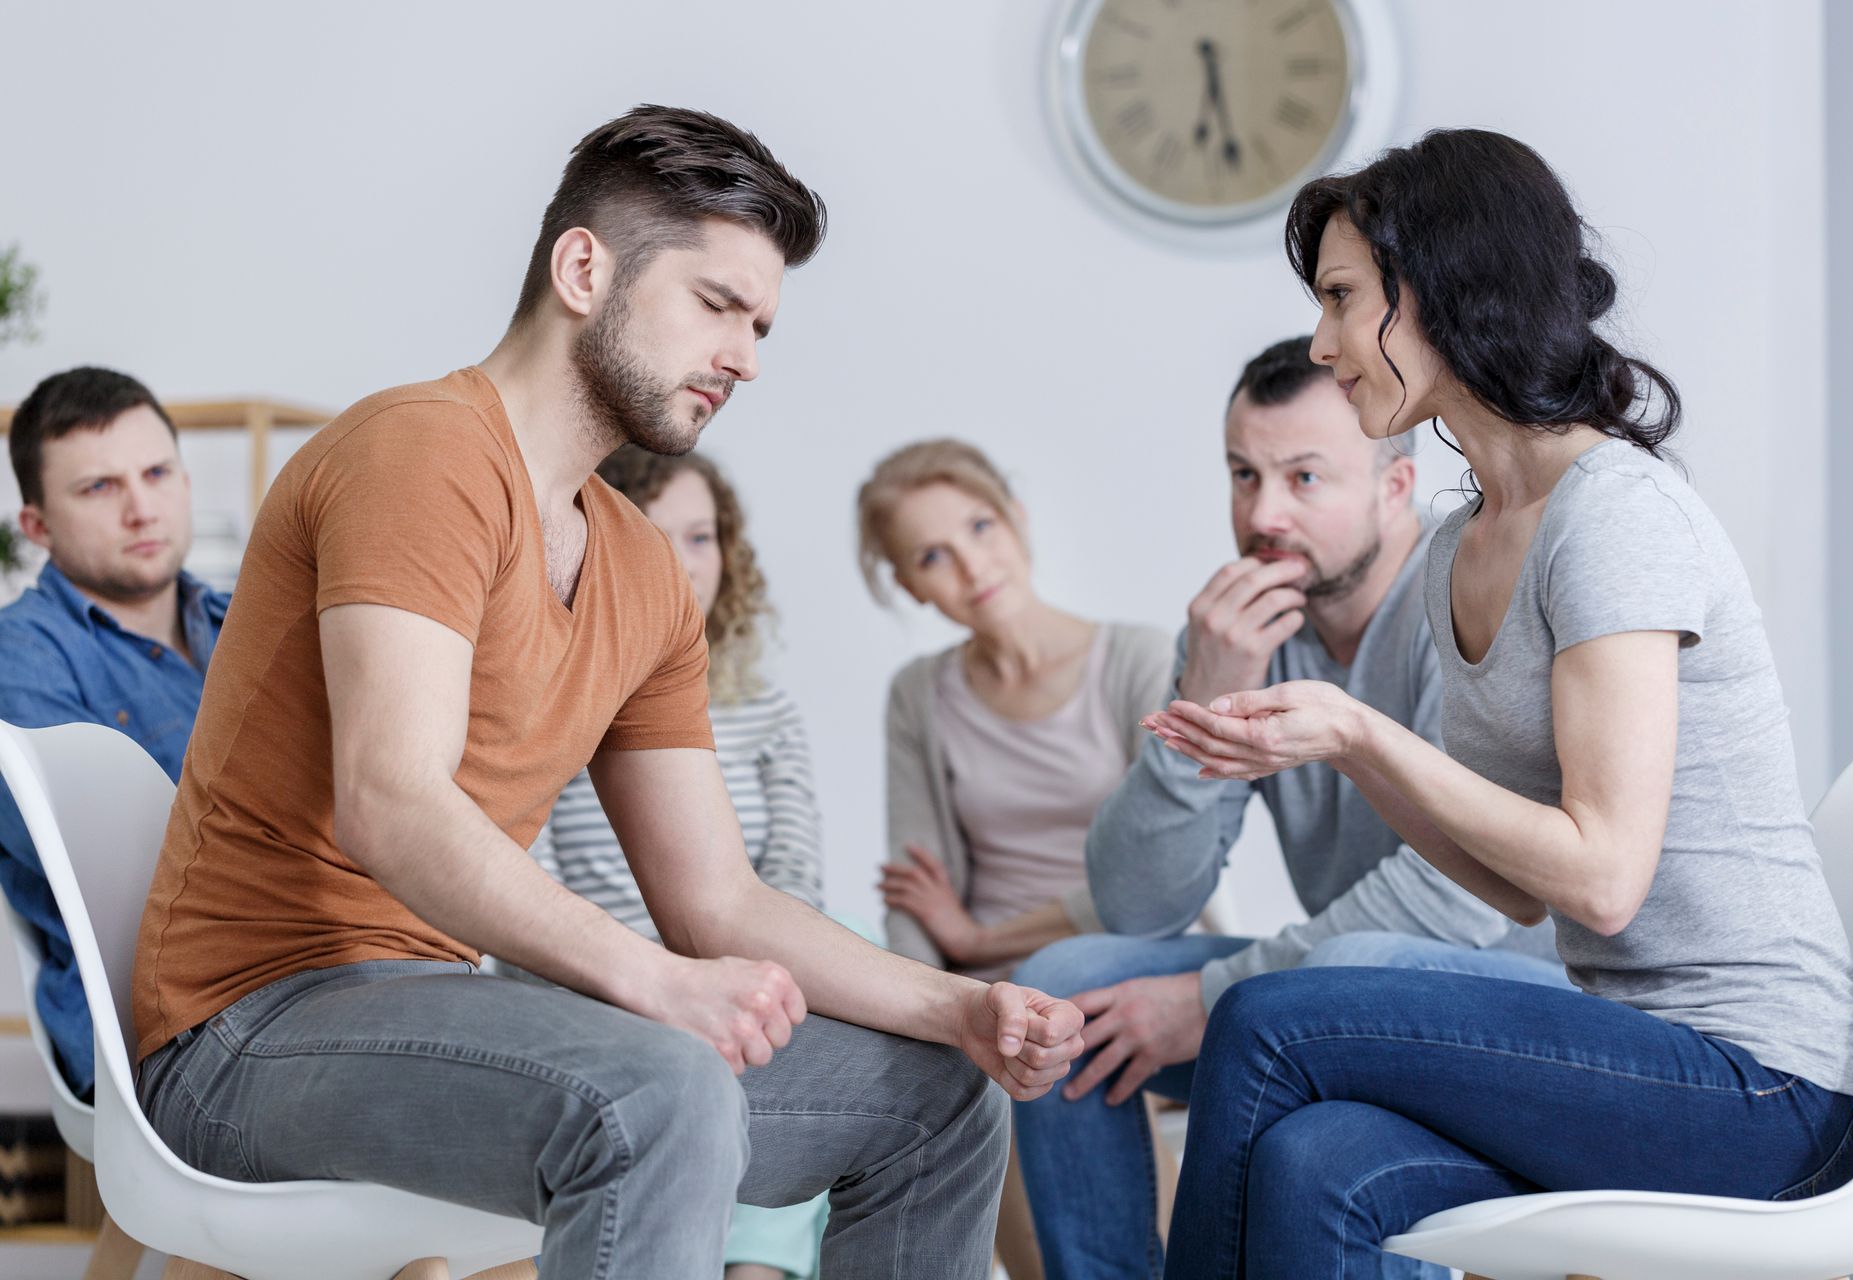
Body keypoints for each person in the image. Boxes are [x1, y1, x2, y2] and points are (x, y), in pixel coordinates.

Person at [129, 105, 1083, 1280]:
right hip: (246, 1034)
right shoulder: (420, 452)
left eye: (762, 324)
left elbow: (718, 900)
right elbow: (392, 802)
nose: (746, 354)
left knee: (936, 1094)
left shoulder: (641, 567)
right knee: (660, 1086)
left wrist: (955, 1007)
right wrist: (658, 986)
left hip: (435, 1019)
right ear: (584, 268)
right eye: (716, 304)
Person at [1146, 128, 1853, 1279]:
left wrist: (1355, 728)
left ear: (1441, 291)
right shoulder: (1460, 547)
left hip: (1765, 1088)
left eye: (1342, 299)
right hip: (1632, 1051)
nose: (1323, 342)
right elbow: (1501, 876)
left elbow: (1599, 874)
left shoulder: (1616, 517)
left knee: (1265, 1016)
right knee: (1312, 1163)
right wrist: (1342, 753)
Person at [1011, 337, 1564, 1279]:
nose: (1262, 514)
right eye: (1243, 474)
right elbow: (1139, 903)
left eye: (1305, 477)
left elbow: (1462, 902)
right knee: (1065, 989)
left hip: (1526, 1010)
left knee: (1349, 988)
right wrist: (1206, 700)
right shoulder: (1242, 631)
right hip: (1336, 991)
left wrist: (1207, 1002)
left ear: (1395, 486)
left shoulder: (1471, 595)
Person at [857, 437, 1173, 1280]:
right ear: (909, 585)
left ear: (1019, 522)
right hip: (998, 997)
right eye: (932, 555)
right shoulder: (920, 697)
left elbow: (1156, 890)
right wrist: (924, 1013)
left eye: (980, 527)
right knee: (959, 1080)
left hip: (1121, 967)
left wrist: (972, 936)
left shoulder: (1138, 661)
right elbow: (911, 899)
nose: (970, 565)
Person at [522, 445, 831, 1280]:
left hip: (747, 944)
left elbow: (797, 871)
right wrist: (658, 976)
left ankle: (755, 1268)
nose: (686, 564)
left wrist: (744, 963)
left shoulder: (766, 708)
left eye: (702, 537)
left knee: (832, 982)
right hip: (613, 967)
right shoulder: (563, 702)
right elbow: (529, 878)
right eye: (659, 538)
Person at [0, 366, 227, 1099]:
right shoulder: (19, 659)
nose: (141, 509)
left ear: (186, 482)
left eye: (157, 473)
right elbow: (125, 881)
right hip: (158, 1029)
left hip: (303, 977)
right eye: (99, 487)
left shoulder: (255, 623)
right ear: (36, 526)